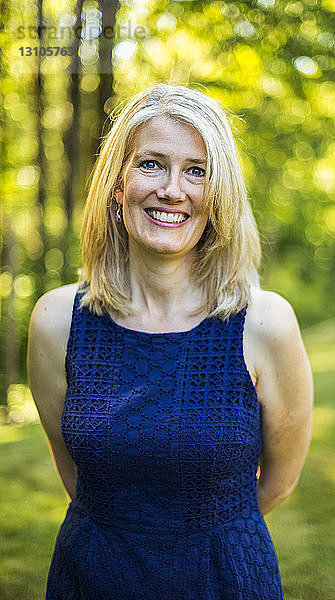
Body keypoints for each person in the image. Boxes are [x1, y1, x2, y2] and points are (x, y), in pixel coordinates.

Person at [27, 82, 313, 599]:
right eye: (151, 164)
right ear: (117, 184)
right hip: (91, 578)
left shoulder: (265, 323)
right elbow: (73, 470)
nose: (173, 190)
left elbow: (279, 480)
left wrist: (196, 540)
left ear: (219, 194)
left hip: (225, 579)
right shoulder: (56, 320)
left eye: (196, 171)